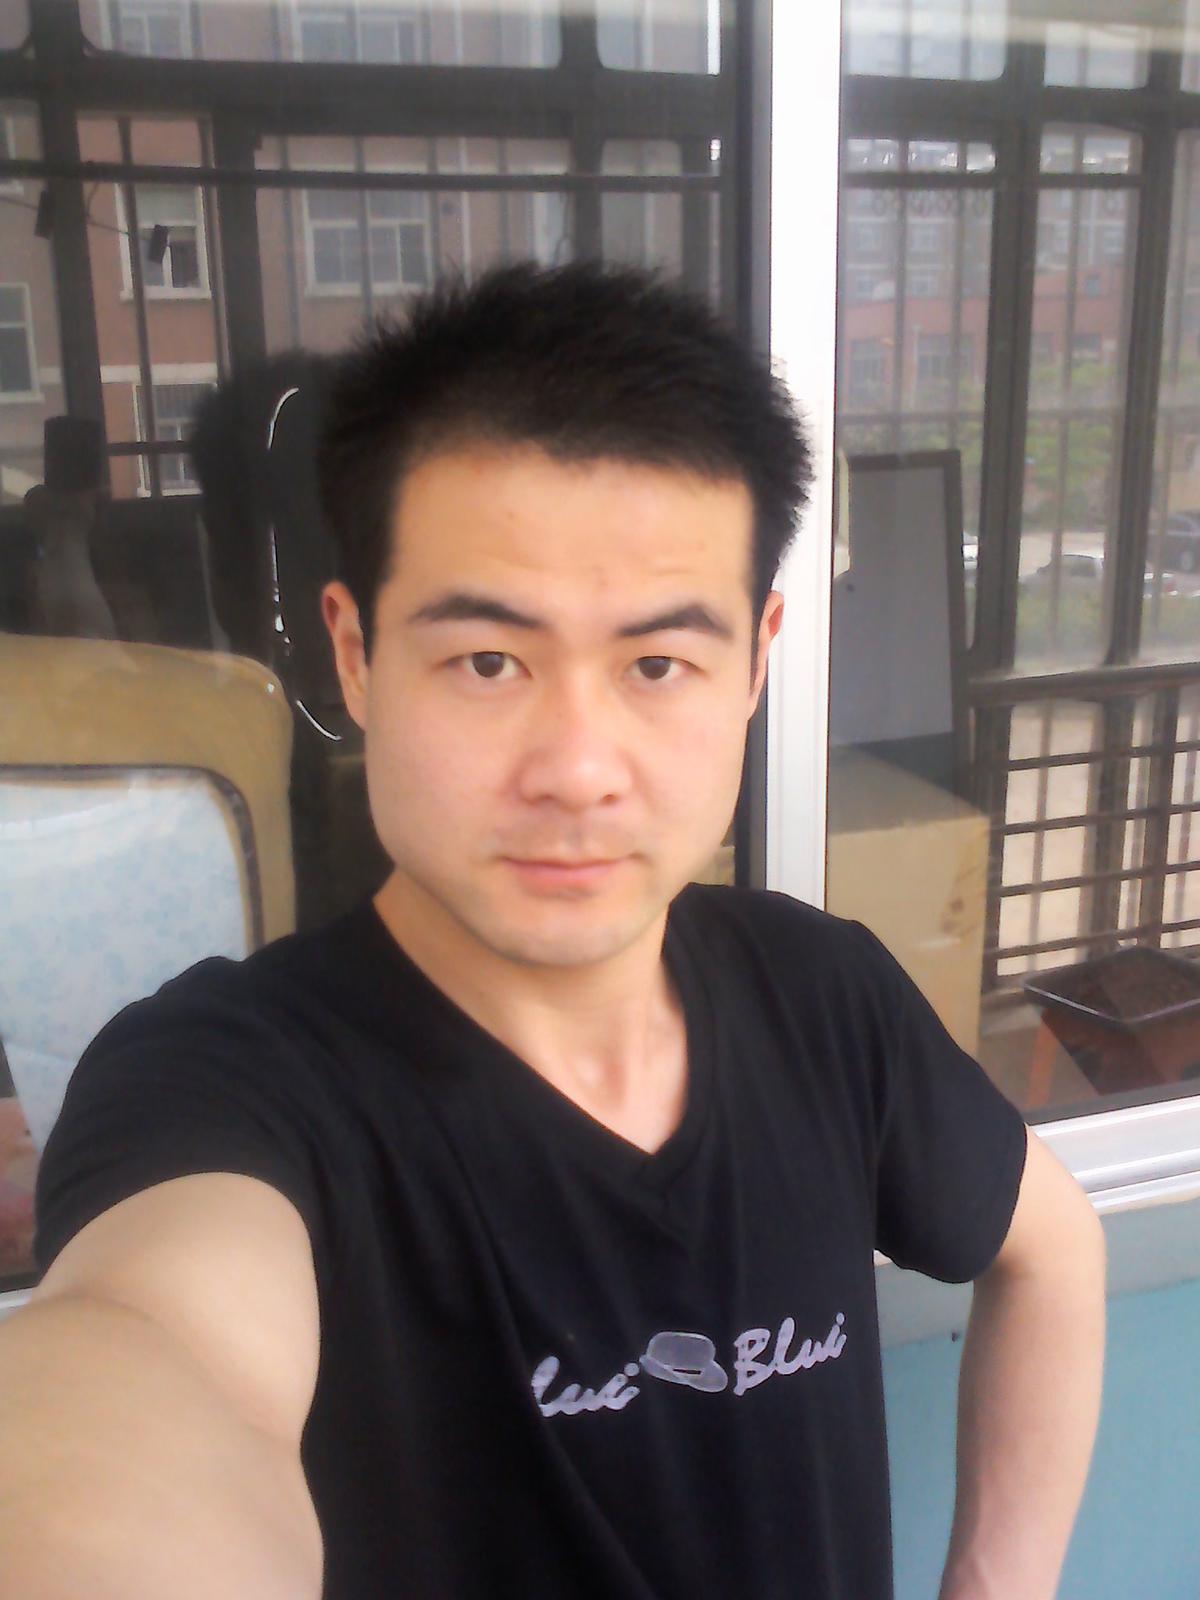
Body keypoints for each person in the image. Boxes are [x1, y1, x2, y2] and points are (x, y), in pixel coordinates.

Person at [0, 262, 1104, 1600]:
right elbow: (140, 1366)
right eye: (488, 661)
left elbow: (1054, 1247)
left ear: (757, 662)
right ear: (355, 653)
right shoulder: (224, 1088)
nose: (578, 770)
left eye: (658, 664)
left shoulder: (822, 996)